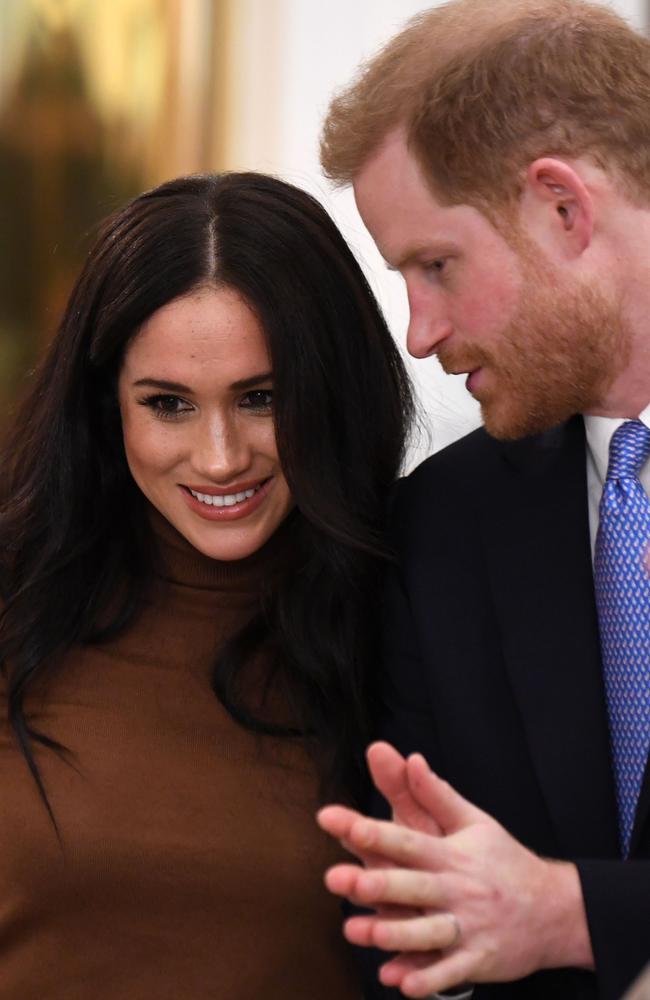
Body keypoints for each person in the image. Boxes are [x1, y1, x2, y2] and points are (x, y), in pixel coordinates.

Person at [0, 171, 415, 998]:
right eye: (169, 405)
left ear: (334, 391)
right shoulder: (17, 602)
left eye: (262, 397)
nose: (222, 457)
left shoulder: (417, 613)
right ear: (106, 405)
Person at [315, 1, 650, 998]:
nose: (418, 333)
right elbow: (416, 916)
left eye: (435, 265)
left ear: (561, 208)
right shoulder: (438, 532)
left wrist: (575, 916)